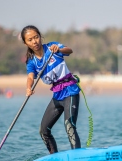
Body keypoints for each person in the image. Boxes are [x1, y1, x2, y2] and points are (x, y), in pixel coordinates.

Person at [21, 25, 81, 154]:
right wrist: (28, 88)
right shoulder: (31, 61)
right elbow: (30, 77)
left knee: (69, 125)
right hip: (57, 95)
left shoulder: (51, 47)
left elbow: (69, 50)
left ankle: (77, 155)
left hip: (70, 90)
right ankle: (54, 157)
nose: (34, 41)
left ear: (40, 36)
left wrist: (59, 49)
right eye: (30, 39)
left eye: (36, 37)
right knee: (44, 131)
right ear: (25, 43)